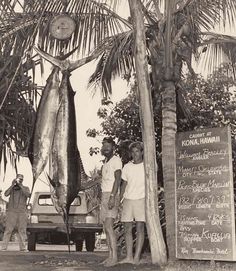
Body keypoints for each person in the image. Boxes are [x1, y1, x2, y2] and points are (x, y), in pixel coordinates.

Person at [119, 141, 146, 265]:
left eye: (137, 151)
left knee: (140, 227)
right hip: (128, 199)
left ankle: (136, 258)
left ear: (141, 152)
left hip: (142, 199)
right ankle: (129, 256)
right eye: (133, 152)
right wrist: (119, 200)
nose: (135, 154)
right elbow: (124, 184)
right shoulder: (127, 167)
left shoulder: (148, 165)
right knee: (127, 228)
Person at [100, 137, 122, 267]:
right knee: (106, 228)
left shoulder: (116, 160)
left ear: (113, 148)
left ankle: (114, 258)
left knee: (109, 226)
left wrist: (113, 196)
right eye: (104, 147)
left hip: (111, 195)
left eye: (108, 146)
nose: (105, 149)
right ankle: (109, 256)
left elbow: (118, 179)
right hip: (104, 195)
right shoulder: (106, 162)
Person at [1, 174, 31, 251]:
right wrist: (12, 185)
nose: (19, 181)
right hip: (12, 212)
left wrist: (20, 185)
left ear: (22, 180)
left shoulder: (25, 188)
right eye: (18, 179)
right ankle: (4, 247)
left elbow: (28, 195)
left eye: (21, 180)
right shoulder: (12, 189)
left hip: (22, 212)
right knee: (8, 230)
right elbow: (6, 194)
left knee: (22, 230)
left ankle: (23, 247)